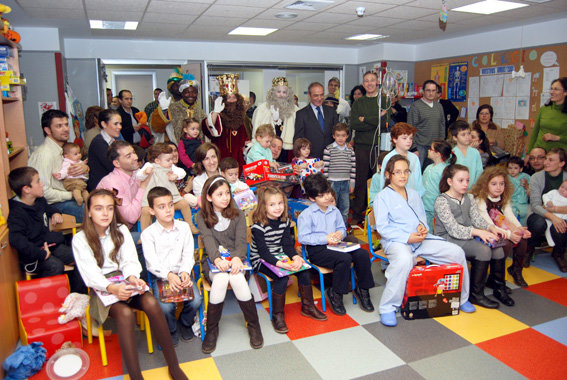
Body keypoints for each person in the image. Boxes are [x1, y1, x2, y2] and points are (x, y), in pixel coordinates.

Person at [72, 189, 187, 380]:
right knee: (125, 314)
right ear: (89, 212)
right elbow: (90, 274)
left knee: (151, 303)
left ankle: (174, 366)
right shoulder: (80, 238)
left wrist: (133, 277)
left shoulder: (121, 230)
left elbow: (130, 261)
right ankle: (135, 376)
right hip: (102, 288)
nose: (105, 213)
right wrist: (112, 288)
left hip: (124, 279)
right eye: (99, 209)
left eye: (109, 208)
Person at [374, 155, 475, 326]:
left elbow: (422, 218)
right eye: (397, 172)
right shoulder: (382, 197)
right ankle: (388, 307)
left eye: (406, 171)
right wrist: (407, 237)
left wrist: (422, 228)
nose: (403, 175)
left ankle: (462, 298)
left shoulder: (413, 194)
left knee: (457, 253)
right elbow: (383, 228)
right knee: (404, 260)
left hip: (421, 239)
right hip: (397, 241)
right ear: (388, 175)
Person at [196, 175, 264, 353]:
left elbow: (242, 241)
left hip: (237, 259)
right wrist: (217, 259)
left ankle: (254, 325)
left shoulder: (238, 214)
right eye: (219, 194)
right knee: (219, 280)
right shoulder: (201, 216)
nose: (225, 197)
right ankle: (212, 330)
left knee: (237, 280)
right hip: (213, 262)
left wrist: (236, 258)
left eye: (227, 192)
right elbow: (209, 241)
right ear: (209, 197)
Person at [434, 164, 512, 308]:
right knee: (483, 250)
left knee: (497, 248)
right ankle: (476, 294)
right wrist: (478, 232)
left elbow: (477, 219)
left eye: (467, 180)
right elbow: (453, 229)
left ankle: (499, 288)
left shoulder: (469, 197)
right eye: (461, 180)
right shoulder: (442, 200)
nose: (465, 184)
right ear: (450, 181)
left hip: (467, 236)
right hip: (448, 239)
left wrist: (491, 228)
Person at [250, 186, 327, 333]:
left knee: (304, 272)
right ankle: (277, 316)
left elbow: (287, 245)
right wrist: (283, 266)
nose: (277, 208)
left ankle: (308, 306)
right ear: (263, 206)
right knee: (282, 279)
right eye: (272, 205)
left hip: (279, 255)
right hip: (260, 259)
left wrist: (296, 258)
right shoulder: (258, 226)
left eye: (280, 203)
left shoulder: (285, 222)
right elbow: (264, 253)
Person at [298, 173, 375, 315]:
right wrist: (325, 238)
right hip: (318, 250)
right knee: (344, 259)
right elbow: (303, 237)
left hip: (338, 245)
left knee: (362, 254)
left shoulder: (334, 210)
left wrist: (340, 234)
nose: (327, 197)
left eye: (327, 192)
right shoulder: (307, 215)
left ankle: (363, 290)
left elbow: (341, 228)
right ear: (312, 198)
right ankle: (336, 294)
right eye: (321, 196)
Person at [7, 167, 85, 293]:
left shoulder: (39, 201)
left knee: (80, 256)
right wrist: (41, 253)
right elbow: (17, 240)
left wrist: (55, 213)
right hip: (34, 254)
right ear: (26, 189)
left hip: (50, 245)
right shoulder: (16, 213)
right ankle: (45, 300)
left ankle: (76, 297)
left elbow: (48, 209)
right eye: (38, 181)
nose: (42, 184)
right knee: (55, 266)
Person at [141, 187, 202, 345]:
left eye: (170, 205)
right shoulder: (148, 234)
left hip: (182, 273)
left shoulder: (183, 228)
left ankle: (185, 323)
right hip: (161, 276)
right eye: (161, 207)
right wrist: (168, 275)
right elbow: (151, 262)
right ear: (152, 211)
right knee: (166, 308)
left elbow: (188, 254)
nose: (168, 210)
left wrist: (184, 272)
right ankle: (171, 329)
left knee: (196, 300)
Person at [472, 166, 531, 288]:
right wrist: (510, 235)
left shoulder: (503, 197)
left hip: (500, 228)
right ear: (485, 184)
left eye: (501, 184)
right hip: (485, 231)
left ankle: (516, 270)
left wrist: (519, 230)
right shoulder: (481, 199)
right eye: (494, 184)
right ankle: (496, 277)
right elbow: (488, 224)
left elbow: (509, 215)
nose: (498, 187)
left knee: (523, 239)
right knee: (505, 243)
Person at [28, 109, 88, 222]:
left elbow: (77, 176)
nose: (65, 129)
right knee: (96, 213)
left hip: (71, 194)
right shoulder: (44, 154)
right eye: (59, 126)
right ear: (47, 130)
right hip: (54, 204)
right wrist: (71, 195)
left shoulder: (63, 150)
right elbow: (43, 191)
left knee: (103, 204)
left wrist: (85, 169)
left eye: (66, 125)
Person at [350, 71, 390, 226]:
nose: (369, 83)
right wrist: (376, 118)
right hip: (361, 147)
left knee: (379, 181)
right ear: (363, 83)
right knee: (361, 180)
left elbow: (385, 123)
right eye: (366, 81)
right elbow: (354, 124)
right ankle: (358, 213)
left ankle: (377, 213)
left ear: (377, 82)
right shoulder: (359, 102)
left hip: (379, 148)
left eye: (372, 80)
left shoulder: (384, 100)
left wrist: (365, 119)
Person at [137, 143, 196, 233]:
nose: (171, 162)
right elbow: (138, 176)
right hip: (153, 199)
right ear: (157, 160)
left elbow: (182, 172)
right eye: (168, 160)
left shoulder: (171, 167)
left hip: (171, 198)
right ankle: (144, 233)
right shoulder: (149, 165)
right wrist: (145, 172)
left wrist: (175, 176)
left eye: (171, 159)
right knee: (145, 211)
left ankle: (190, 225)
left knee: (184, 203)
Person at [526, 148, 567, 272]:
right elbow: (535, 205)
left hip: (563, 213)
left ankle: (558, 254)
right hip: (539, 213)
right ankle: (529, 250)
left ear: (561, 163)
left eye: (551, 160)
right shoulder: (536, 177)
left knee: (560, 226)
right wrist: (553, 216)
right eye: (546, 159)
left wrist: (555, 210)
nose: (546, 163)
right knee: (538, 223)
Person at [369, 123, 425, 205]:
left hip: (412, 200)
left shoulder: (414, 158)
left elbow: (418, 181)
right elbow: (383, 182)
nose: (408, 141)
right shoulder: (388, 158)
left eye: (410, 138)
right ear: (395, 139)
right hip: (394, 201)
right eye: (404, 138)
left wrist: (418, 198)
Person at [252, 77, 298, 158]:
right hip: (266, 148)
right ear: (273, 93)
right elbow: (256, 130)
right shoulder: (262, 109)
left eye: (284, 92)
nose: (281, 95)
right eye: (278, 92)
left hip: (287, 150)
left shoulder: (295, 110)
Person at [294, 81, 338, 160]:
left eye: (321, 95)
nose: (319, 98)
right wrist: (299, 156)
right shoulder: (301, 114)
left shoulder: (332, 111)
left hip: (331, 156)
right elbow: (298, 138)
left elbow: (338, 132)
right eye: (316, 95)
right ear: (309, 95)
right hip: (310, 158)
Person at [323, 122, 355, 226]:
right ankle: (331, 228)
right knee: (331, 207)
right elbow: (325, 168)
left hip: (345, 182)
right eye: (338, 135)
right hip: (332, 183)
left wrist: (352, 184)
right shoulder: (329, 149)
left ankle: (343, 229)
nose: (340, 138)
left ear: (347, 136)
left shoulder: (350, 151)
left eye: (343, 136)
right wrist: (326, 185)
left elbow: (353, 169)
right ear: (333, 136)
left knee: (345, 208)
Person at [408, 80, 445, 168]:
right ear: (423, 91)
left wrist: (441, 144)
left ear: (436, 92)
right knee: (417, 172)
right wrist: (414, 148)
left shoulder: (439, 106)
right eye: (428, 90)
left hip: (435, 147)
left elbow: (442, 125)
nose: (431, 93)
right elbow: (410, 128)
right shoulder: (416, 106)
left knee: (432, 172)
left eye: (433, 90)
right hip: (420, 146)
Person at [527, 77, 567, 153]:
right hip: (539, 153)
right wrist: (529, 153)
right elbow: (535, 132)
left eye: (556, 89)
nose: (552, 92)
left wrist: (557, 138)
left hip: (558, 156)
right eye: (551, 89)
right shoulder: (544, 109)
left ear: (565, 92)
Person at [422, 140, 456, 228]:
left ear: (438, 154)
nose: (428, 150)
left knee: (436, 229)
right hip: (425, 205)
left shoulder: (444, 170)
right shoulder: (428, 167)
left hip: (436, 207)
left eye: (430, 149)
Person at [87, 109, 122, 191]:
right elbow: (112, 166)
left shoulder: (112, 141)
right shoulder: (99, 142)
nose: (119, 127)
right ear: (103, 124)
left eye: (120, 124)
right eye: (115, 124)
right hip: (100, 188)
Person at [170, 77, 207, 143]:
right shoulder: (173, 108)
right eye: (187, 92)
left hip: (197, 148)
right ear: (182, 93)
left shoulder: (200, 111)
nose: (191, 95)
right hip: (178, 148)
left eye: (194, 92)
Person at [450, 120, 483, 189]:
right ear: (455, 138)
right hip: (456, 189)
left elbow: (479, 172)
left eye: (469, 134)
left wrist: (474, 188)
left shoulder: (475, 152)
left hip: (473, 189)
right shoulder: (452, 153)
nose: (467, 137)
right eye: (463, 134)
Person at [507, 156, 530, 225]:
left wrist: (528, 187)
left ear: (521, 169)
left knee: (526, 214)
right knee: (510, 214)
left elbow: (531, 187)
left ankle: (523, 229)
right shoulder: (506, 178)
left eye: (515, 168)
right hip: (511, 201)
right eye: (510, 168)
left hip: (523, 202)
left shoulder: (526, 177)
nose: (512, 170)